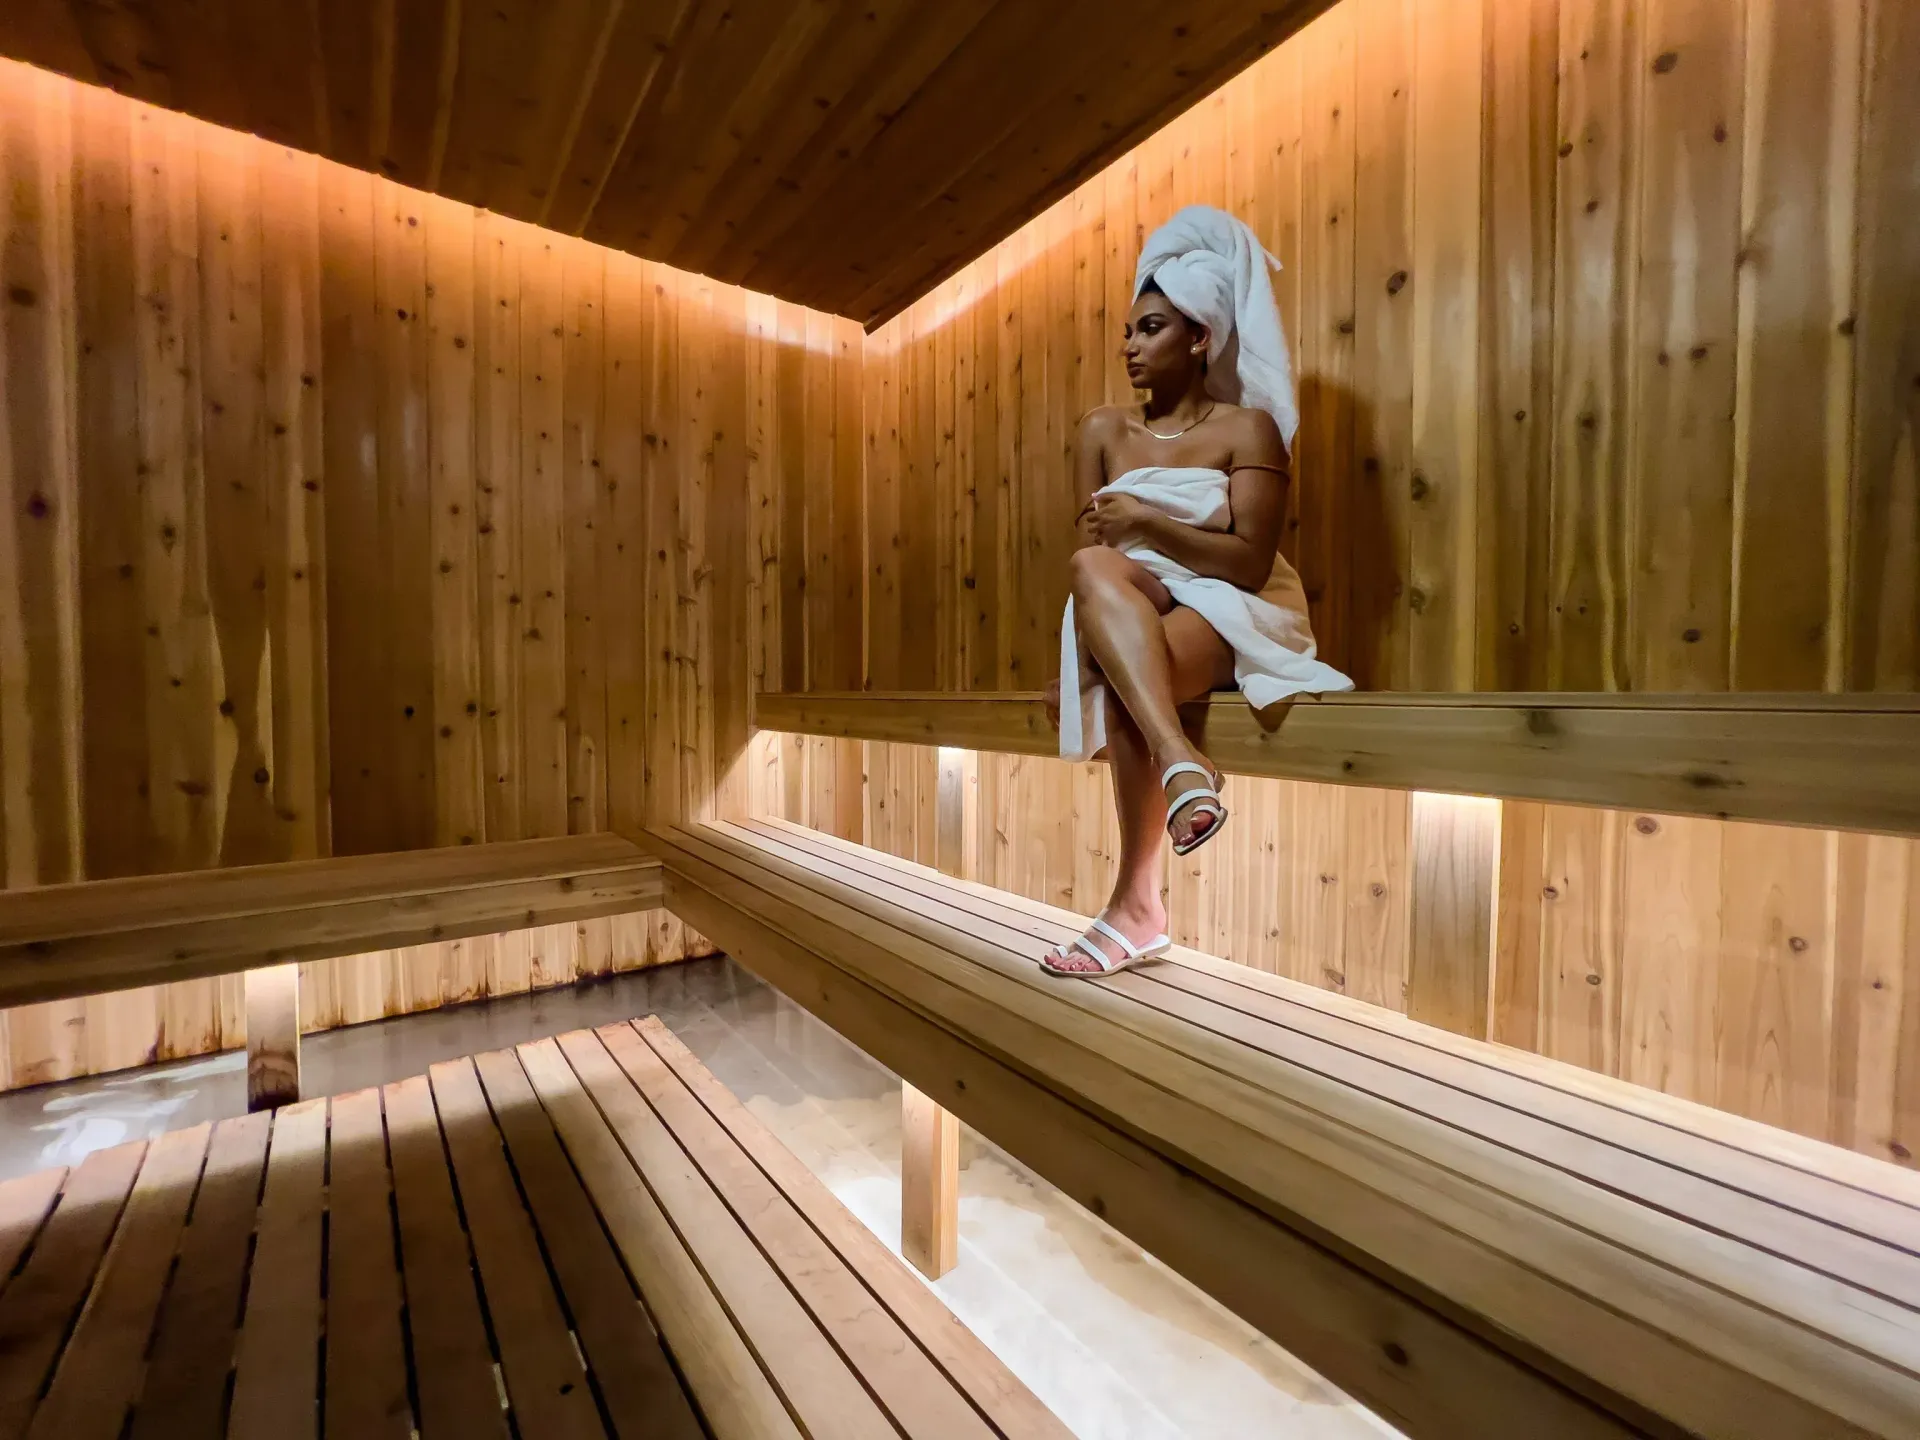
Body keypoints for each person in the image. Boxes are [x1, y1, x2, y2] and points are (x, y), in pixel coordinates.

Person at [1039, 205, 1353, 978]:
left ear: (1200, 337)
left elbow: (1247, 563)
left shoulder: (1248, 431)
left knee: (1126, 681)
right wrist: (1076, 658)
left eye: (1150, 329)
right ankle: (1180, 762)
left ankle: (1136, 908)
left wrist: (1146, 518)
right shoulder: (1102, 430)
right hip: (1134, 601)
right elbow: (1097, 556)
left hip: (1229, 604)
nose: (1130, 346)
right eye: (1128, 331)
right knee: (1091, 572)